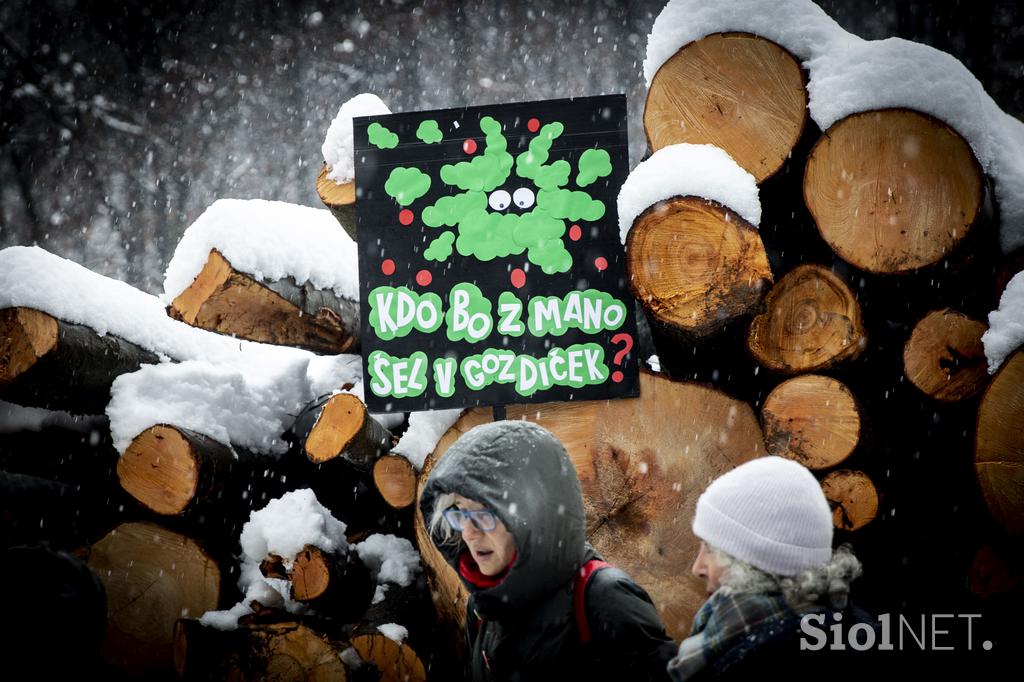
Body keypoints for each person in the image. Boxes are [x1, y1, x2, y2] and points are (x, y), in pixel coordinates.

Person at [420, 420, 677, 681]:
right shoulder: (483, 604)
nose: (468, 533)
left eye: (483, 515)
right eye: (460, 514)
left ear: (532, 513)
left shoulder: (605, 598)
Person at [668, 456, 879, 681]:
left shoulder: (756, 663)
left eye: (711, 550)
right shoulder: (836, 632)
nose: (697, 568)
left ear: (755, 566)